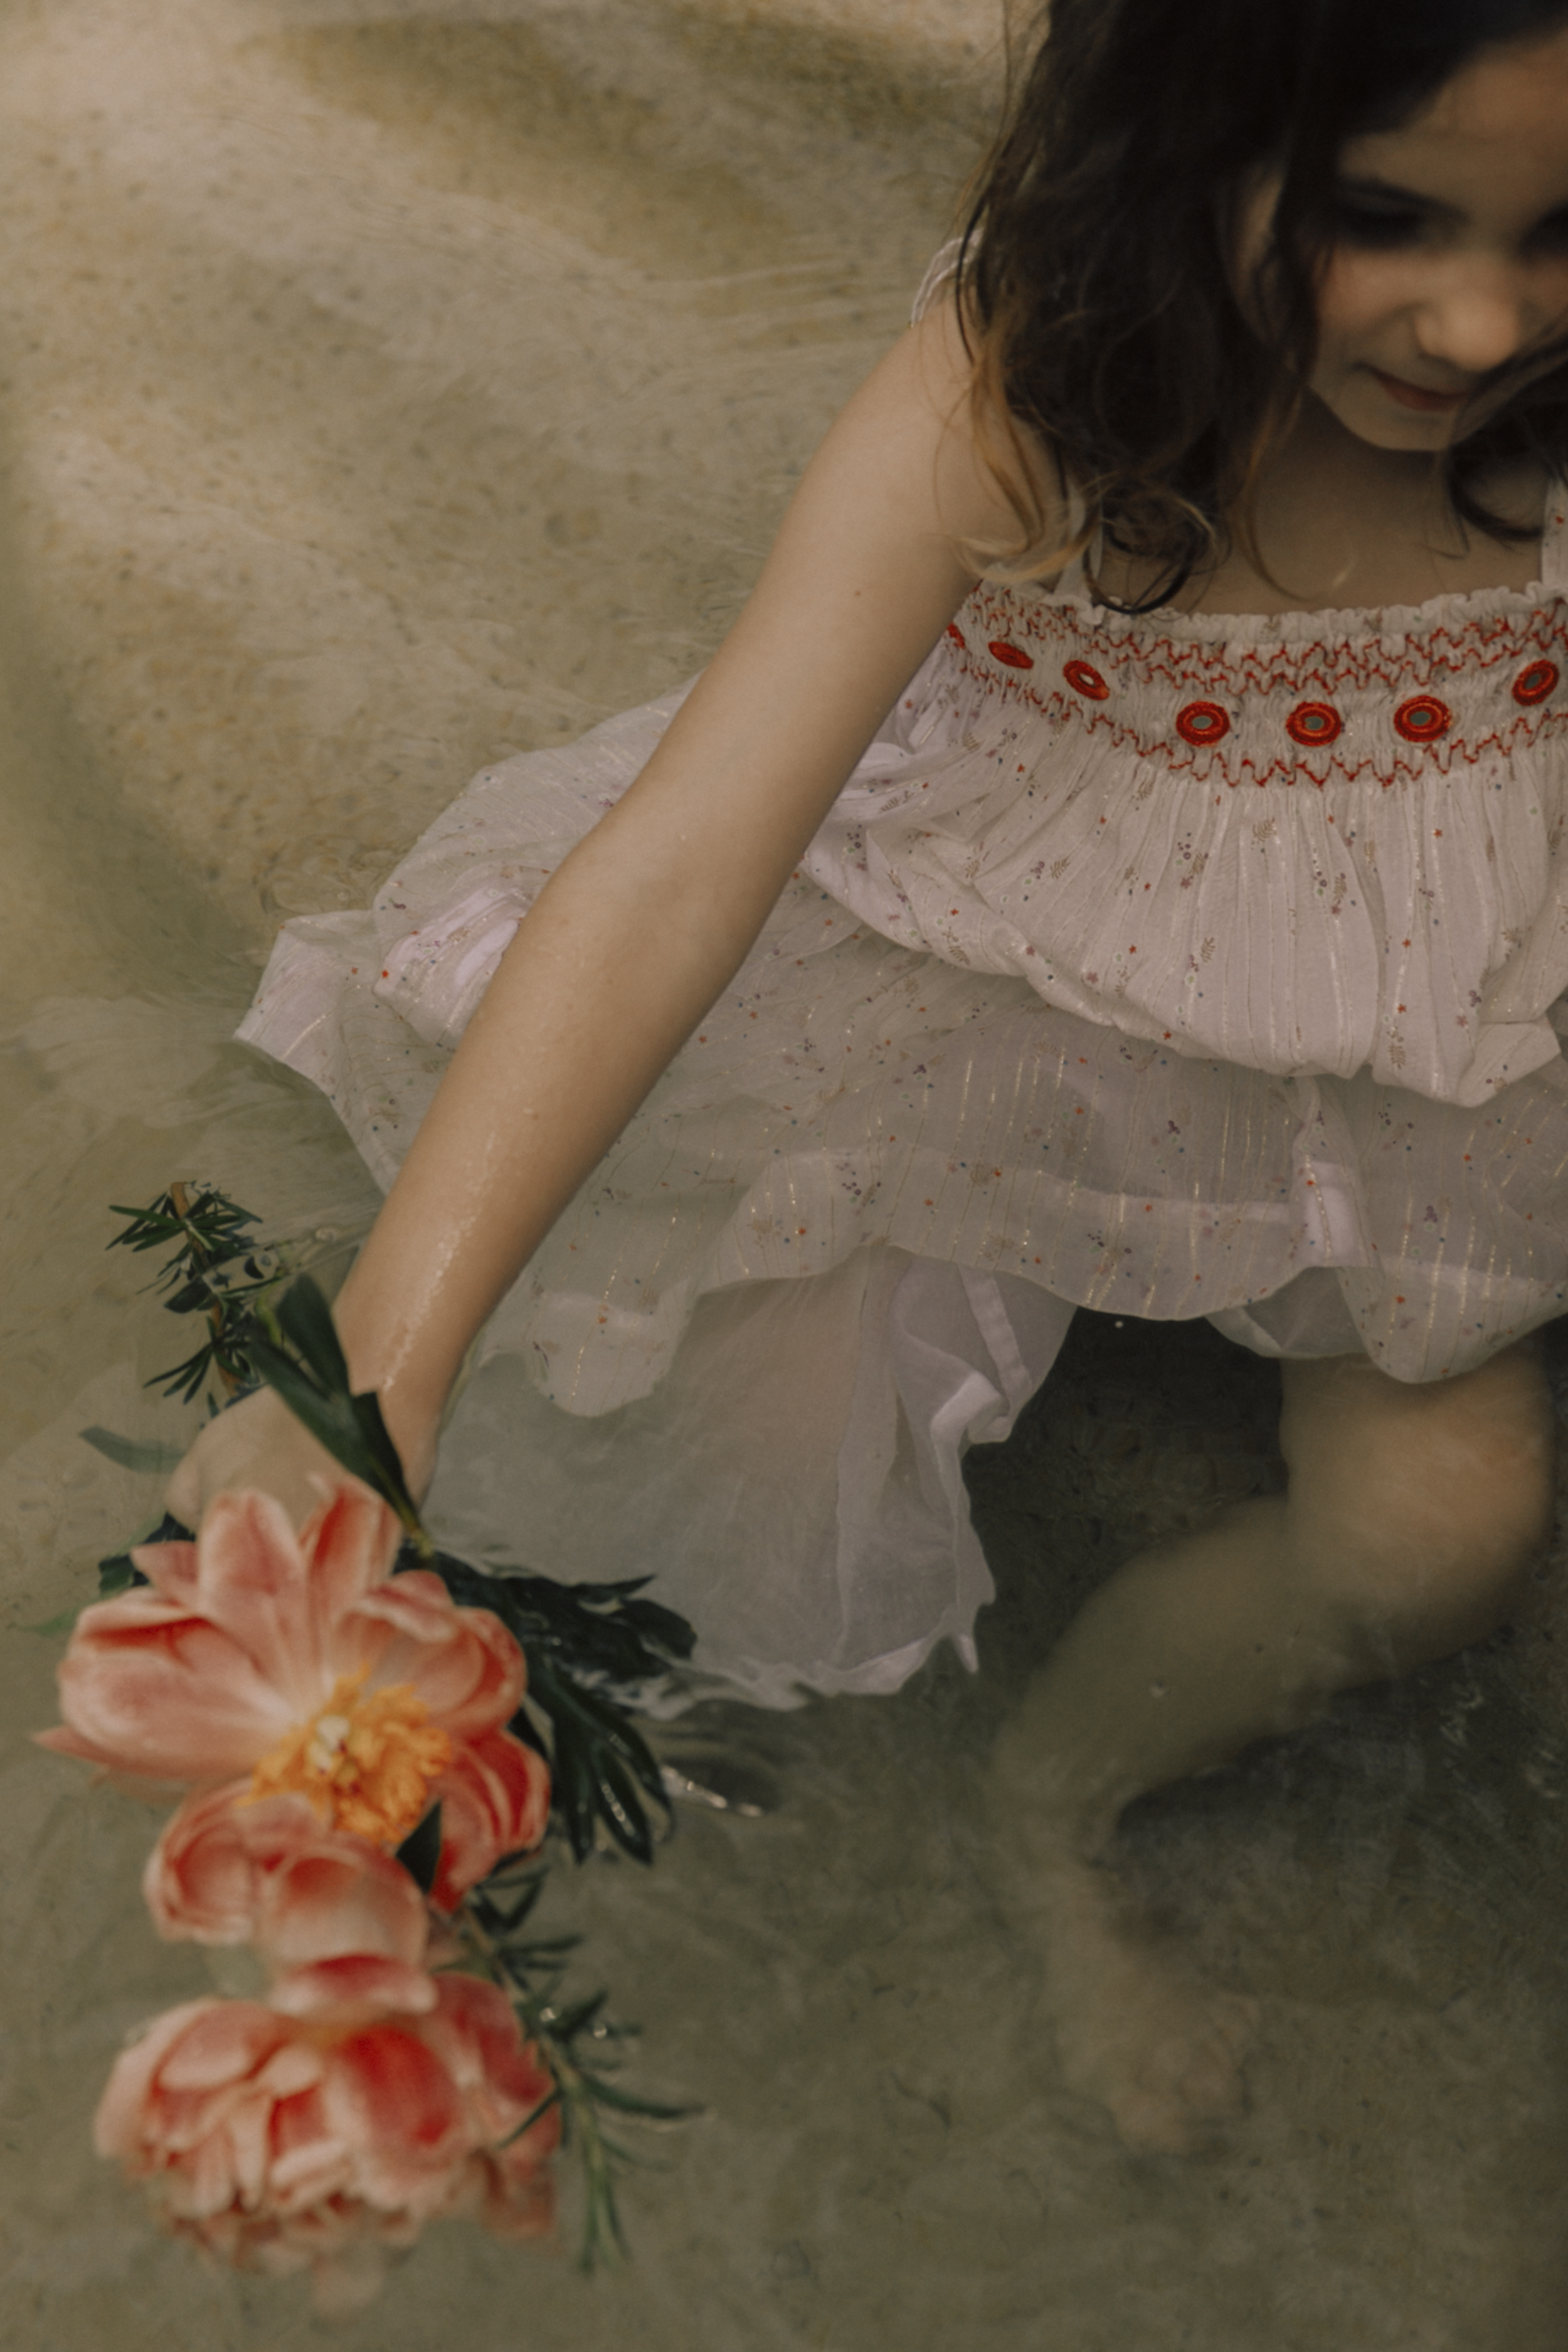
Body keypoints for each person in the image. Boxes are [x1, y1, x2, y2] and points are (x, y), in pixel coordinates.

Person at [171, 0, 1568, 2153]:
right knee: (695, 1447)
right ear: (1188, 138)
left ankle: (1054, 1807)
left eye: (1558, 232)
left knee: (1438, 1538)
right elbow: (683, 865)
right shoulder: (1039, 373)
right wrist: (387, 1356)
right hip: (981, 960)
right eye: (1382, 216)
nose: (1476, 323)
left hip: (1393, 1050)